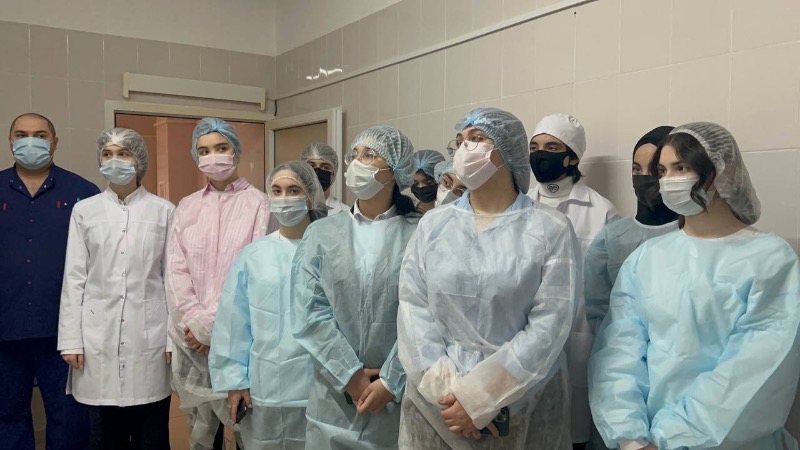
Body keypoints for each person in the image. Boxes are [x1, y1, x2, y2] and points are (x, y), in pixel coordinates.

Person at [588, 122, 800, 450]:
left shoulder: (770, 259)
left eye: (681, 168)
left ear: (721, 171)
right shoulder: (648, 258)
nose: (668, 180)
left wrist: (673, 437)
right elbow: (618, 352)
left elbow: (756, 370)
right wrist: (630, 436)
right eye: (662, 171)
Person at [397, 107, 578, 449]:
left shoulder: (550, 228)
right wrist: (450, 394)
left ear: (508, 151)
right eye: (460, 141)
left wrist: (482, 396)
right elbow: (413, 308)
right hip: (437, 404)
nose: (465, 148)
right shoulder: (433, 225)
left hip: (520, 399)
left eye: (477, 138)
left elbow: (550, 324)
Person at [291, 126, 419, 450]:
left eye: (369, 155)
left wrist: (391, 380)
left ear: (396, 169)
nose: (357, 163)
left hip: (398, 400)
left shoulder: (422, 233)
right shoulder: (321, 234)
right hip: (333, 402)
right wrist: (349, 375)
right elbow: (309, 313)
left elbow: (426, 315)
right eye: (355, 155)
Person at [58, 128, 173, 449]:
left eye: (123, 153)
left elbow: (171, 279)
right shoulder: (85, 211)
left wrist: (171, 339)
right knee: (106, 433)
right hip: (97, 335)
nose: (115, 161)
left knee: (151, 432)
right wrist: (71, 340)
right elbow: (74, 277)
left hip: (149, 335)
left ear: (139, 160)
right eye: (107, 154)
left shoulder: (164, 211)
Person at [166, 117, 276, 450]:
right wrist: (195, 326)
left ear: (236, 151)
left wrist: (217, 330)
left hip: (242, 340)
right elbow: (176, 271)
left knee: (246, 426)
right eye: (204, 150)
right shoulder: (187, 207)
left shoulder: (260, 204)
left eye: (221, 147)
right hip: (193, 341)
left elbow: (257, 274)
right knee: (201, 433)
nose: (212, 156)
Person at [210, 161, 327, 449]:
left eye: (293, 190)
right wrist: (235, 380)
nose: (284, 198)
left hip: (320, 386)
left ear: (310, 196)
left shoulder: (329, 250)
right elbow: (233, 324)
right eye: (276, 190)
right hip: (265, 387)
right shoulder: (253, 255)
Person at [0, 113, 98, 450]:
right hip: (5, 329)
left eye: (40, 135)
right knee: (6, 415)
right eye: (21, 134)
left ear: (55, 142)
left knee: (69, 418)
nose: (31, 141)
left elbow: (99, 262)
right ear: (10, 141)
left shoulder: (83, 192)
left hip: (64, 332)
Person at [527, 113, 619, 449]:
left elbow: (612, 291)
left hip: (578, 342)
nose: (540, 154)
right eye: (535, 147)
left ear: (573, 157)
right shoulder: (519, 205)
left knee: (573, 433)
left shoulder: (602, 212)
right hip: (525, 340)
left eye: (552, 147)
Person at [584, 126, 679, 333]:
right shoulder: (612, 237)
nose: (644, 178)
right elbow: (597, 307)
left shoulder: (694, 234)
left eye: (655, 170)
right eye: (637, 169)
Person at [301, 142, 348, 215]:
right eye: (311, 166)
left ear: (333, 174)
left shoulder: (347, 213)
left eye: (325, 167)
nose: (317, 172)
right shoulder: (291, 210)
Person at [411, 149, 446, 214]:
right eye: (415, 183)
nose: (420, 187)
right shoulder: (409, 213)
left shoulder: (452, 211)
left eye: (428, 183)